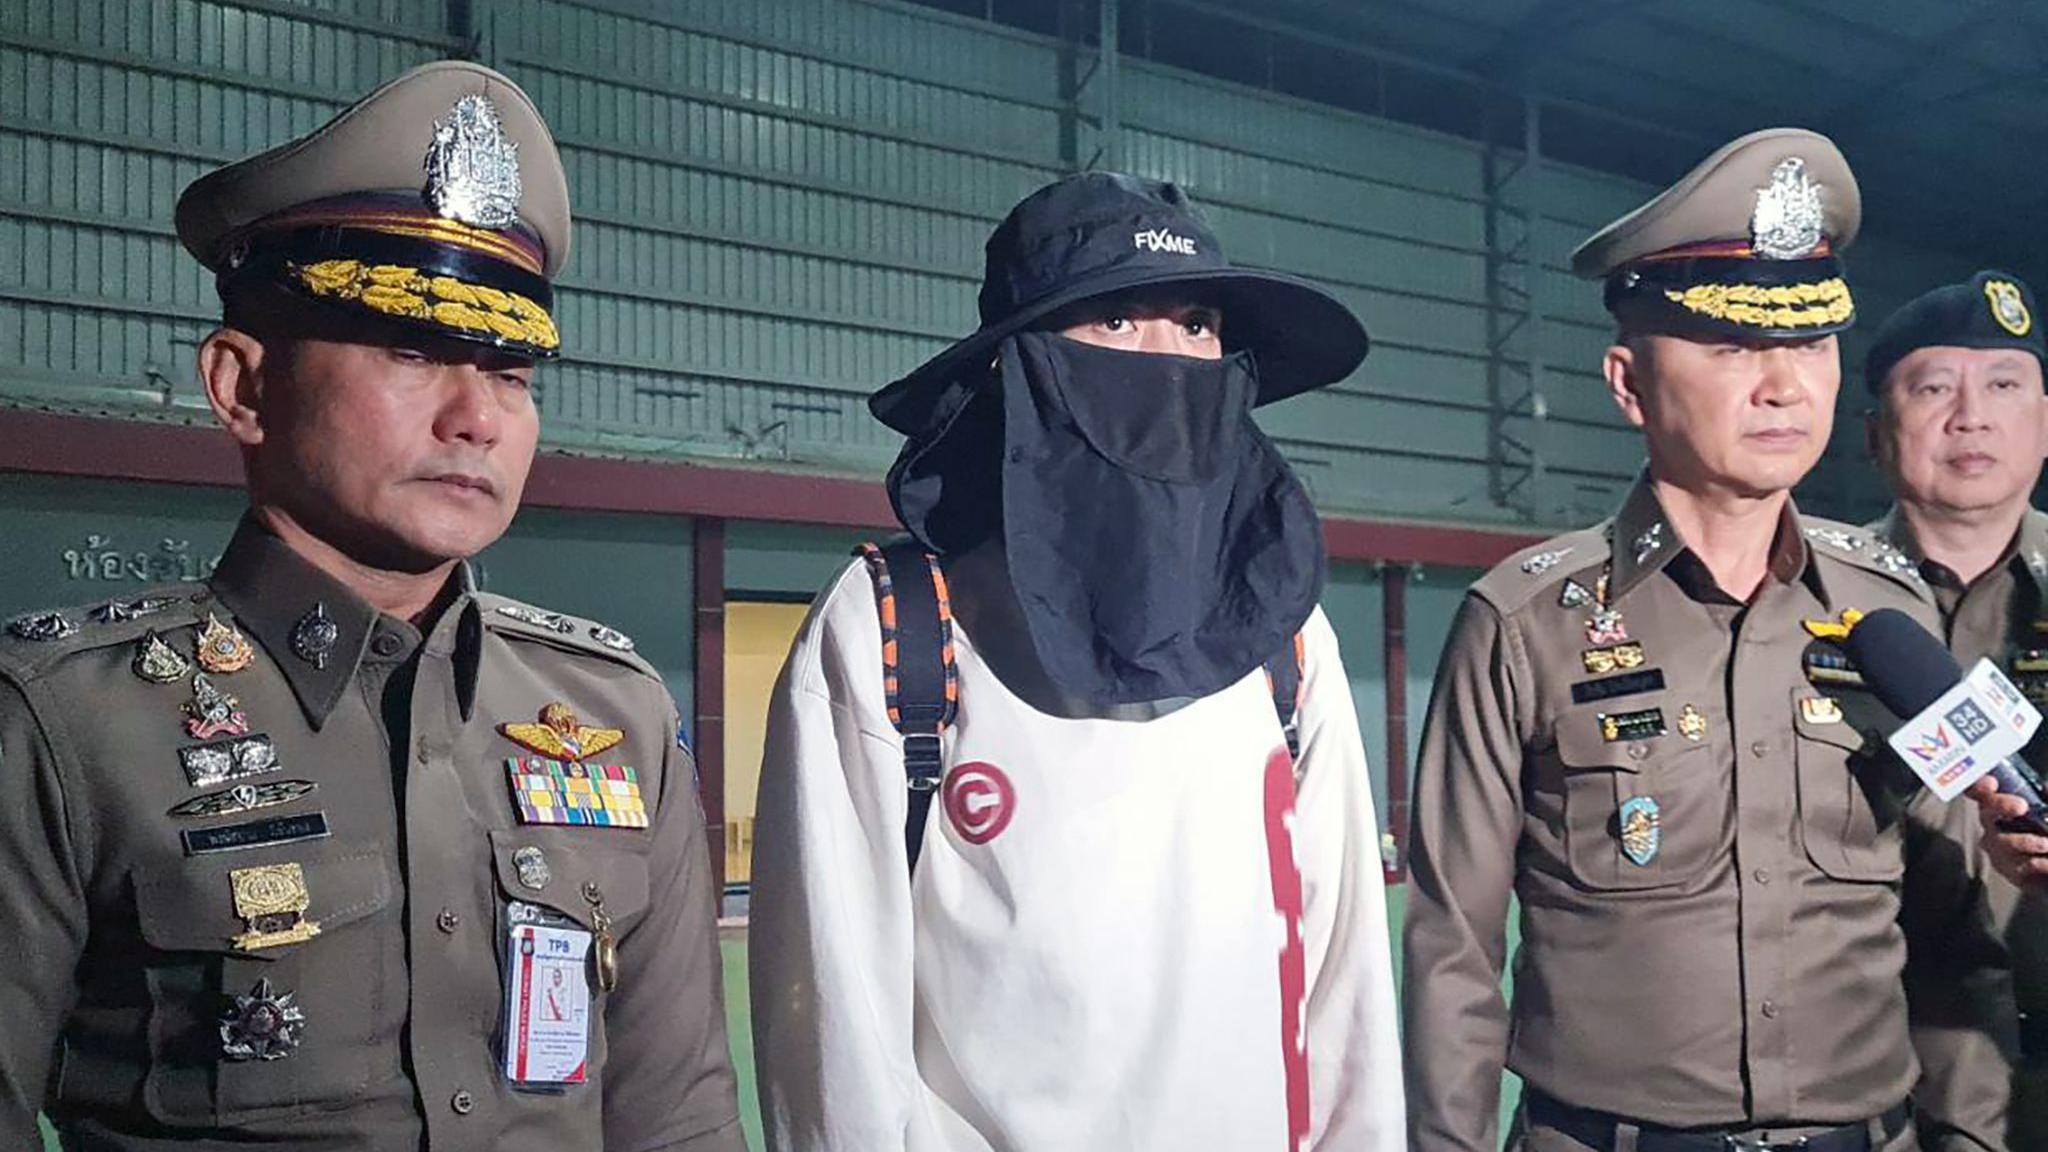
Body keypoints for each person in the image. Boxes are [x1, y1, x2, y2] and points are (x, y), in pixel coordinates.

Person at [0, 61, 744, 1150]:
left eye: (510, 373)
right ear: (243, 386)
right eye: (412, 350)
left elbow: (675, 1115)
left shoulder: (614, 716)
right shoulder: (67, 725)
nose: (477, 418)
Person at [749, 172, 1403, 1151]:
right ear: (1014, 366)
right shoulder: (894, 629)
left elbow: (1343, 975)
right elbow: (834, 1031)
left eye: (1194, 322)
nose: (1167, 357)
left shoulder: (1280, 633)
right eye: (1113, 320)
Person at [1402, 128, 2013, 1152]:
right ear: (1626, 382)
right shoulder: (1522, 624)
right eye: (1732, 347)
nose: (1783, 386)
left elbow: (1956, 937)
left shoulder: (1893, 617)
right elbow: (1449, 952)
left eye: (1808, 345)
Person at [1864, 271, 2048, 1148]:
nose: (1970, 416)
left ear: (2045, 421)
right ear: (1874, 433)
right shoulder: (1801, 611)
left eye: (2004, 386)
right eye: (1933, 387)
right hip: (1874, 1089)